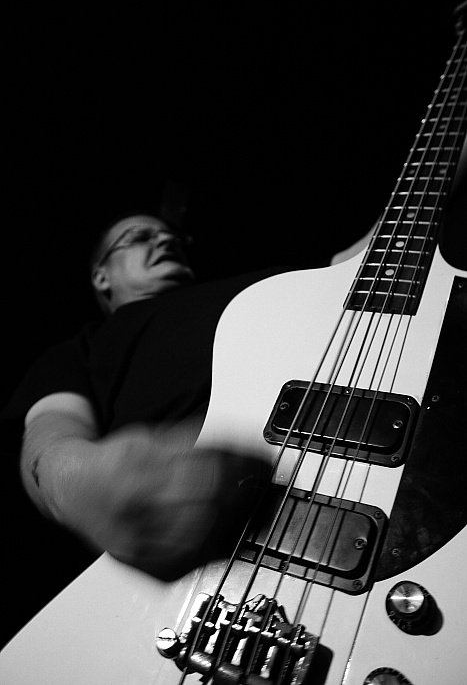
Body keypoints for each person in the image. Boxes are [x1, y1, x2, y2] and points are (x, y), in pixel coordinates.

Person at [3, 212, 303, 583]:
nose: (165, 241)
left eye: (173, 238)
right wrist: (77, 479)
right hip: (208, 545)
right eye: (140, 237)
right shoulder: (82, 347)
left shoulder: (272, 284)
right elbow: (51, 430)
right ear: (101, 276)